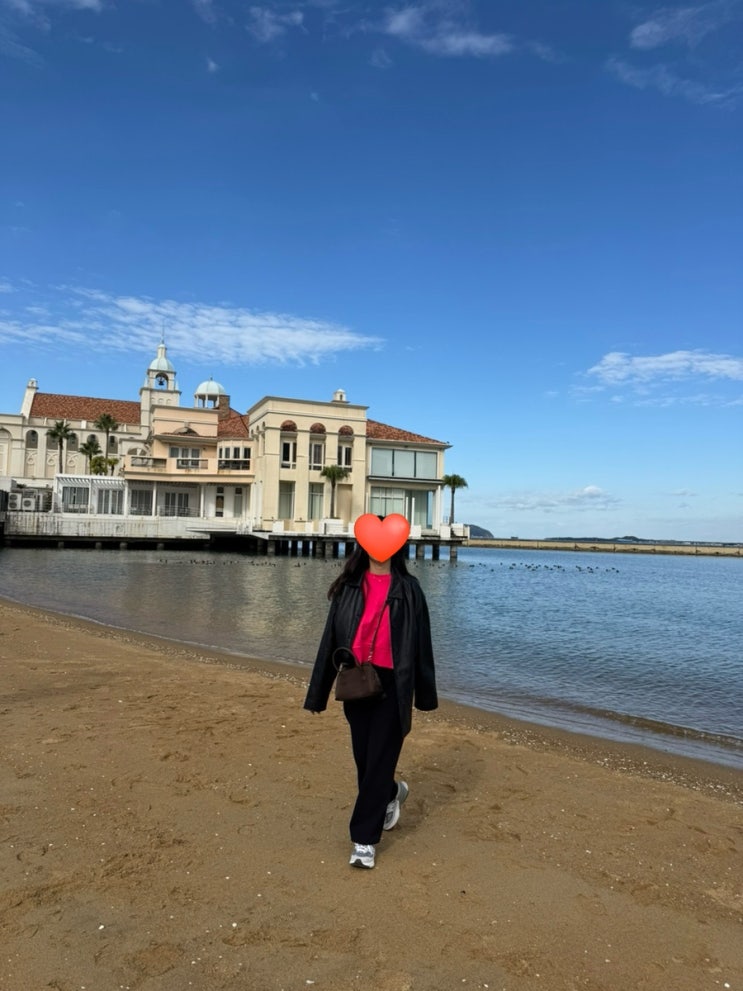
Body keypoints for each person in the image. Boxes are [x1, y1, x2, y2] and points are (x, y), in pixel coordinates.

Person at [304, 538, 438, 870]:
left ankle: (364, 840)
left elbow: (422, 643)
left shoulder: (409, 589)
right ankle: (391, 792)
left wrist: (425, 695)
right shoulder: (348, 586)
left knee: (379, 759)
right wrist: (317, 693)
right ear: (364, 545)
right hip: (357, 680)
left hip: (395, 684)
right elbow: (329, 640)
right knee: (366, 760)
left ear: (396, 547)